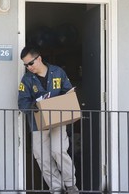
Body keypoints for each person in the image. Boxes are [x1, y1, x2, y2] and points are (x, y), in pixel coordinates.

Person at [18, 46, 79, 194]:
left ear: (38, 58)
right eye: (25, 65)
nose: (28, 67)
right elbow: (22, 103)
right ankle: (56, 188)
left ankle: (71, 185)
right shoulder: (26, 79)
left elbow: (68, 92)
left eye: (30, 63)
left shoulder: (58, 72)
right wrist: (33, 106)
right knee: (42, 157)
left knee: (58, 151)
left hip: (58, 120)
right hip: (38, 123)